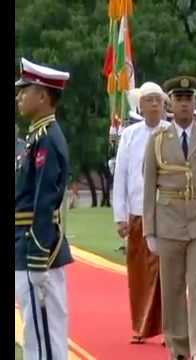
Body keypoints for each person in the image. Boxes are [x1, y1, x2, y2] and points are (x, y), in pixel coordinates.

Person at [143, 76, 196, 360]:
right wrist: (149, 231)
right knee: (172, 288)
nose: (183, 105)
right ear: (171, 104)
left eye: (188, 99)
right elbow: (148, 187)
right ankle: (178, 348)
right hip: (168, 221)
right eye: (178, 99)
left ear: (195, 103)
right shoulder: (157, 140)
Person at [15, 57, 73, 360]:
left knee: (43, 335)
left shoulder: (47, 139)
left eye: (25, 90)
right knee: (37, 333)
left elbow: (43, 201)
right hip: (27, 242)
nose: (19, 97)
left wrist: (37, 261)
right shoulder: (38, 137)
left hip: (35, 246)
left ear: (42, 96)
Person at [112, 82, 170, 344]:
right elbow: (121, 175)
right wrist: (120, 216)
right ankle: (140, 326)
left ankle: (172, 327)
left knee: (169, 274)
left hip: (168, 214)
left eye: (158, 100)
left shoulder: (171, 132)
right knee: (138, 274)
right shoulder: (130, 135)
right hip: (137, 213)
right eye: (150, 100)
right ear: (141, 105)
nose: (155, 104)